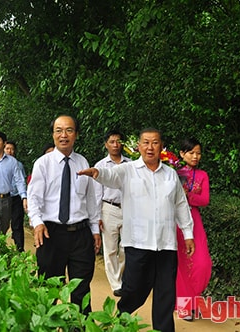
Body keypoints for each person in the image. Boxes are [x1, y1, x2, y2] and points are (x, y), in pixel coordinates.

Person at [78, 128, 194, 332]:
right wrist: (97, 173)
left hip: (166, 244)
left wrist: (188, 234)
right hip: (138, 243)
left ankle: (164, 329)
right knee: (133, 290)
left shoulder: (170, 175)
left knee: (165, 293)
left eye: (155, 143)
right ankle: (121, 321)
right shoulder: (128, 170)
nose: (150, 147)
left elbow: (180, 205)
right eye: (146, 143)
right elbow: (110, 175)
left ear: (161, 146)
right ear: (138, 146)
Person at [28, 115, 101, 315]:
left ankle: (79, 327)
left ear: (76, 135)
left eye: (69, 130)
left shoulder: (83, 162)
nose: (63, 135)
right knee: (50, 290)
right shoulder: (43, 164)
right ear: (53, 135)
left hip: (80, 235)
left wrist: (94, 229)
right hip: (51, 235)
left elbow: (91, 199)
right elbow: (33, 198)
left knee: (81, 290)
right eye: (58, 130)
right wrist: (37, 223)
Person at [175, 138, 212, 321]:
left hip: (194, 220)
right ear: (182, 154)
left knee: (202, 263)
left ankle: (193, 301)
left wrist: (186, 196)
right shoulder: (172, 171)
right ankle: (184, 307)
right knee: (181, 265)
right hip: (175, 222)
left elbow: (205, 200)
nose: (195, 156)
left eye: (198, 153)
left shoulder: (203, 175)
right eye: (191, 153)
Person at [93, 129, 131, 297]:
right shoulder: (100, 166)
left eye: (118, 141)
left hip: (129, 209)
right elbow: (95, 193)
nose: (116, 145)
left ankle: (121, 277)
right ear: (106, 144)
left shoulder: (130, 164)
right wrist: (97, 217)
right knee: (110, 248)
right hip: (108, 208)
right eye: (112, 142)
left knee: (126, 247)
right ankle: (116, 284)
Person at [5, 140, 27, 252]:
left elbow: (22, 181)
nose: (10, 151)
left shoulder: (19, 165)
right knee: (2, 225)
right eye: (7, 149)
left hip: (16, 197)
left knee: (17, 224)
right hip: (3, 198)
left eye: (12, 149)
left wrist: (24, 197)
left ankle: (20, 249)